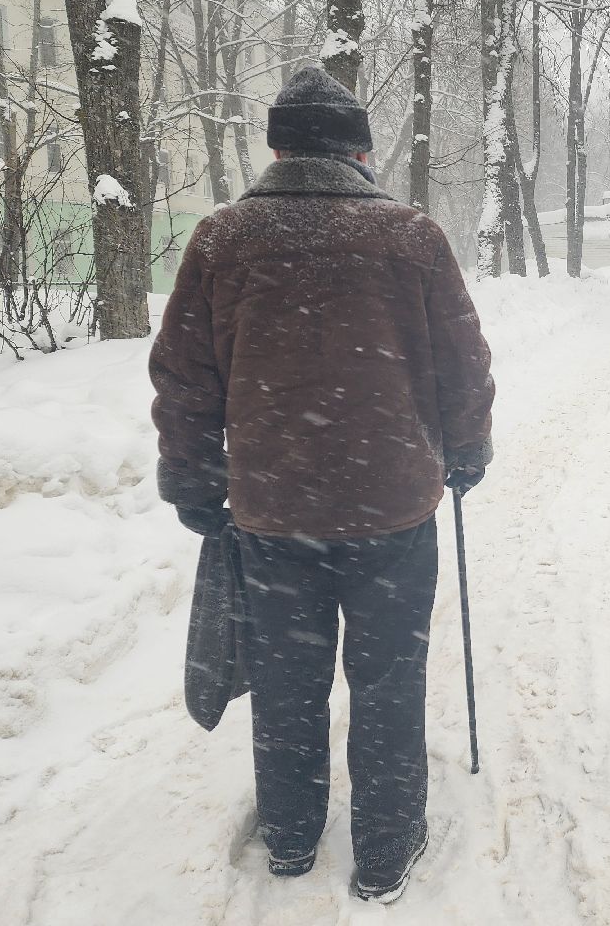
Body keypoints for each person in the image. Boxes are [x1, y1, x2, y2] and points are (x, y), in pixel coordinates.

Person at [149, 66, 495, 903]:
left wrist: (193, 480)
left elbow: (184, 376)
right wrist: (466, 449)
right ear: (361, 150)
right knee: (386, 678)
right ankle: (384, 844)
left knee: (287, 678)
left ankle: (293, 835)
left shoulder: (222, 239)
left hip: (273, 511)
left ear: (277, 147)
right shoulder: (411, 237)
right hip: (393, 509)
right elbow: (463, 362)